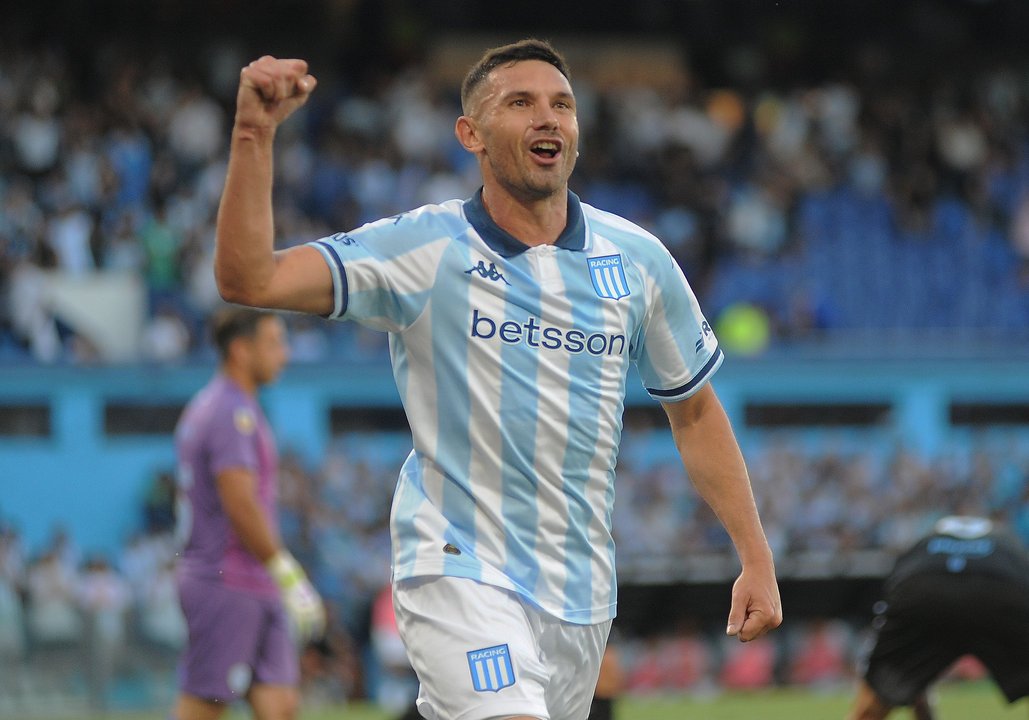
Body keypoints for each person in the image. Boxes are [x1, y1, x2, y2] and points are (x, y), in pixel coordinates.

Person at [215, 39, 781, 720]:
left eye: (561, 105)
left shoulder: (637, 260)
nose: (547, 117)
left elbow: (694, 410)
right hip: (457, 562)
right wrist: (253, 134)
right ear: (471, 135)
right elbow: (249, 278)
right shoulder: (421, 247)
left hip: (581, 593)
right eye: (520, 103)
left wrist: (755, 556)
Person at [173, 307, 325, 720]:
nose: (284, 354)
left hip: (252, 578)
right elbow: (240, 504)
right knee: (204, 708)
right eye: (274, 343)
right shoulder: (230, 412)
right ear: (241, 350)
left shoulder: (230, 406)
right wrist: (288, 574)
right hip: (226, 578)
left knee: (280, 706)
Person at [847, 515, 1029, 720]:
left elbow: (902, 607)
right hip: (1001, 586)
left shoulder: (923, 545)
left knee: (875, 702)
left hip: (922, 587)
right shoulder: (1006, 542)